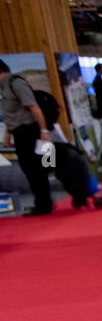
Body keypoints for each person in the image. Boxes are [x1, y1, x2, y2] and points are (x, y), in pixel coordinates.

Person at [1, 58, 54, 215]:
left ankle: (44, 204)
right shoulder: (5, 87)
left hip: (29, 132)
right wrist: (8, 134)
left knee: (36, 169)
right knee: (30, 170)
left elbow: (33, 107)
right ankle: (41, 202)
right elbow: (12, 114)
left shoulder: (16, 84)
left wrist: (43, 130)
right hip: (19, 132)